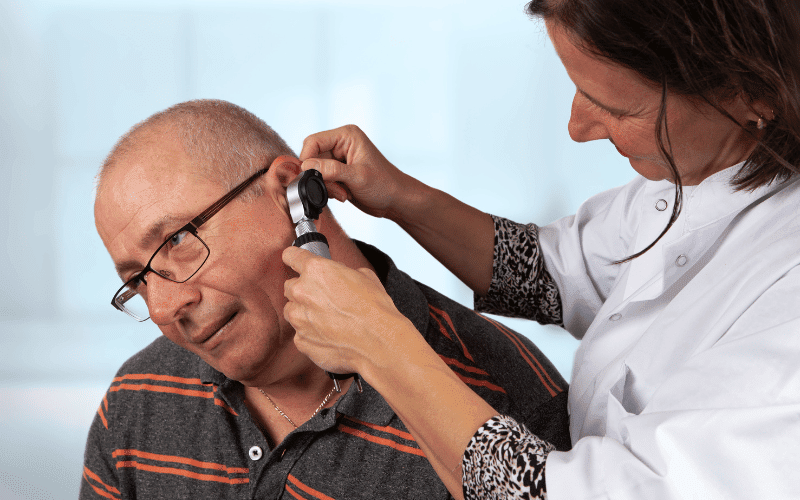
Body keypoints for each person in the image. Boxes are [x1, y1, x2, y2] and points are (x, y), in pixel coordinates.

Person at [280, 0, 800, 498]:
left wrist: (380, 345)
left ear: (756, 94)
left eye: (617, 107)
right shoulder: (705, 168)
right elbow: (552, 273)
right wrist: (400, 196)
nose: (576, 129)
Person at [79, 99, 570, 499]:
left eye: (178, 241)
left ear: (289, 192)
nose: (163, 308)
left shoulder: (507, 409)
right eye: (138, 281)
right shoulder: (137, 399)